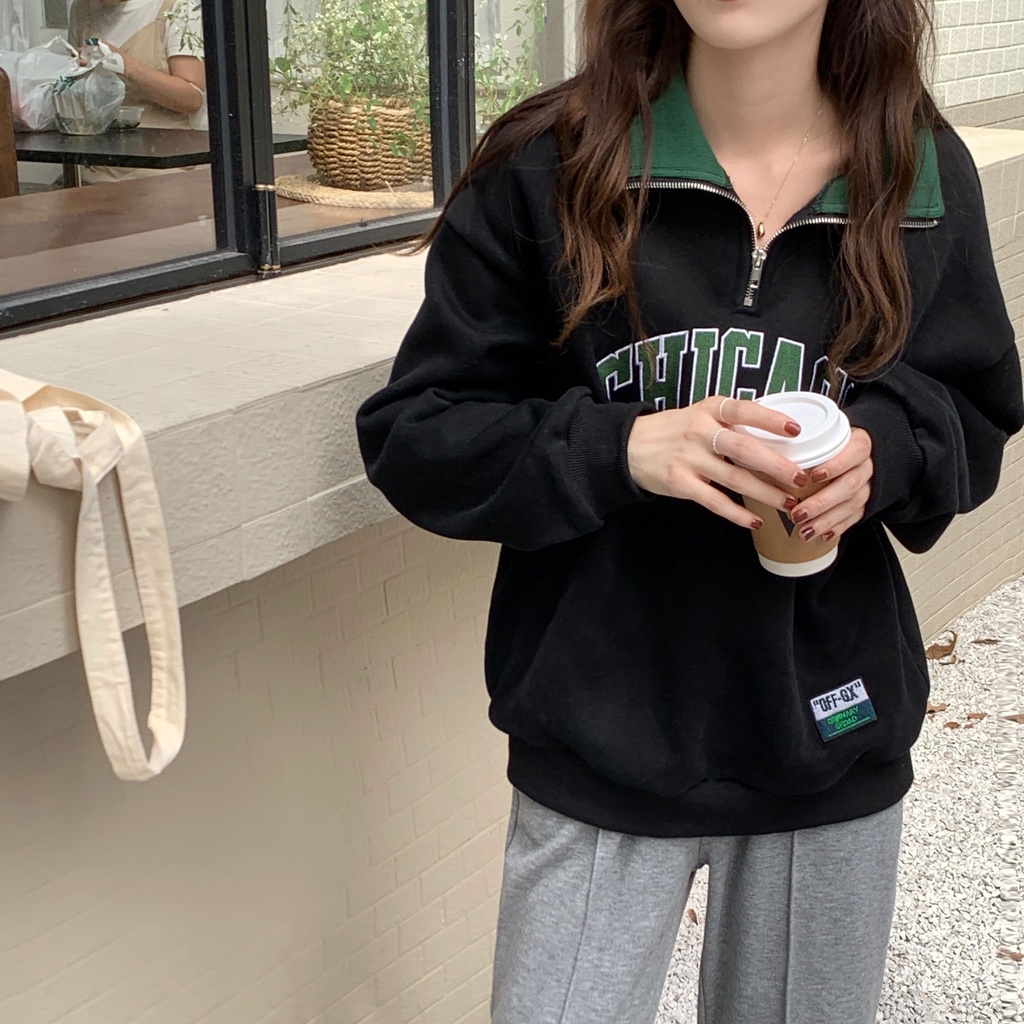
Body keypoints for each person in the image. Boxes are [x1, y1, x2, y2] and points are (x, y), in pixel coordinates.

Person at [356, 1, 1024, 1022]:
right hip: (597, 739)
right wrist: (620, 448)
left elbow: (976, 406)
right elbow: (419, 434)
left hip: (824, 734)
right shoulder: (550, 162)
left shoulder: (916, 174)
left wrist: (884, 453)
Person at [67, 0, 205, 131]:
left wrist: (126, 66)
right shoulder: (82, 8)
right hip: (99, 136)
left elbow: (192, 100)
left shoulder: (180, 8)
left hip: (164, 139)